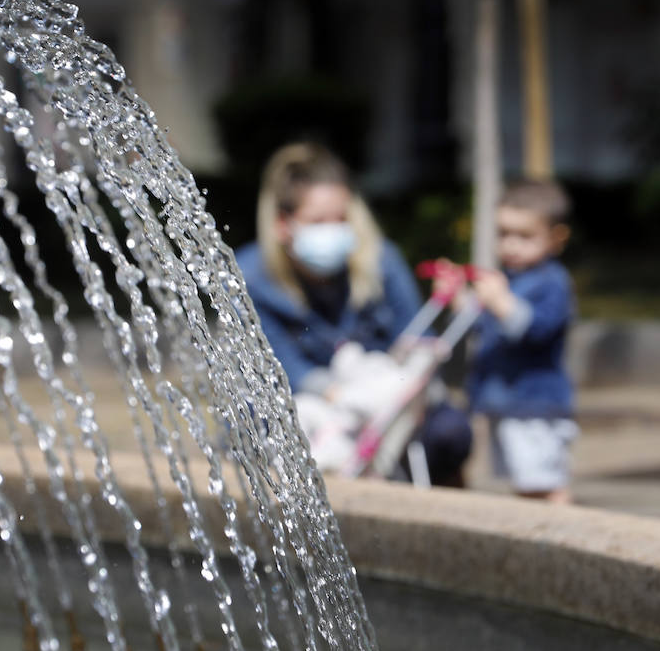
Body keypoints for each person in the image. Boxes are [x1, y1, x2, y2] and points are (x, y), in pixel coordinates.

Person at [235, 142, 472, 487]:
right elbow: (275, 370)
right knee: (258, 428)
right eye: (317, 221)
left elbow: (416, 339)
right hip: (309, 405)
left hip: (385, 399)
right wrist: (346, 398)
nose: (333, 230)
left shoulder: (381, 261)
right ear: (282, 224)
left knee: (449, 431)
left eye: (342, 218)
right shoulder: (251, 277)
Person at [465, 179, 577, 503]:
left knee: (544, 483)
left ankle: (565, 541)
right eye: (503, 234)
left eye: (525, 236)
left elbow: (537, 330)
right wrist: (464, 302)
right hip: (507, 405)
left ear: (556, 238)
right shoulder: (507, 279)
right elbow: (486, 329)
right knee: (525, 483)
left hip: (535, 406)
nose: (511, 245)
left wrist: (501, 303)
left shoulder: (552, 282)